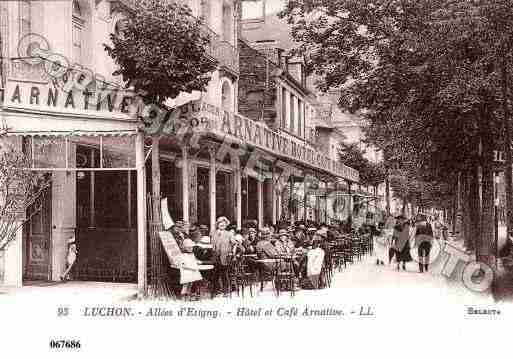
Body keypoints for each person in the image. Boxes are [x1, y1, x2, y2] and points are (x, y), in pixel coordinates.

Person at [212, 216, 233, 295]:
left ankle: (226, 291)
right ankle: (215, 290)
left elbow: (234, 243)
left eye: (224, 223)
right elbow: (212, 244)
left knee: (225, 274)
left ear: (226, 224)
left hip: (225, 256)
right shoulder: (214, 233)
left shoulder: (229, 234)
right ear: (218, 224)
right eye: (220, 223)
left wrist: (231, 253)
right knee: (215, 274)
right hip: (216, 256)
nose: (222, 224)